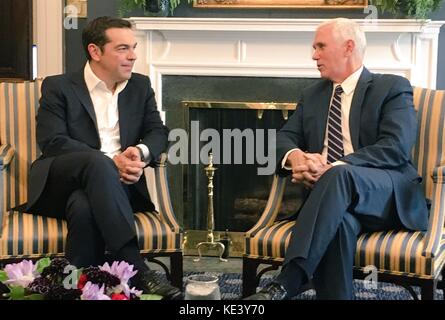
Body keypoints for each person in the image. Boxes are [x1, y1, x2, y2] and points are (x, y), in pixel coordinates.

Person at [245, 18, 428, 300]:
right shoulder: (313, 95)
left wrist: (332, 168)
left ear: (348, 47)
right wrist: (296, 158)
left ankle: (287, 281)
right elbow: (282, 139)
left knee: (339, 175)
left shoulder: (391, 87)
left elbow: (395, 147)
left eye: (320, 46)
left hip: (387, 196)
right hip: (334, 202)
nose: (313, 55)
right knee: (339, 224)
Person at [26, 16, 181, 299]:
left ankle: (74, 286)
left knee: (84, 206)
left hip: (115, 189)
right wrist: (111, 162)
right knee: (98, 162)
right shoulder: (59, 86)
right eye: (123, 48)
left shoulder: (140, 86)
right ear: (95, 51)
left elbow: (158, 131)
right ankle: (137, 269)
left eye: (133, 47)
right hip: (60, 183)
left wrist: (140, 153)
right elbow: (53, 141)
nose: (133, 56)